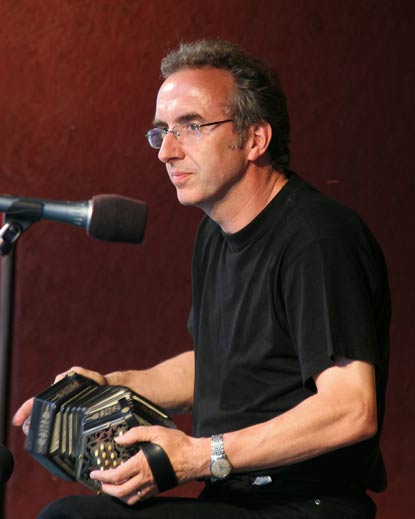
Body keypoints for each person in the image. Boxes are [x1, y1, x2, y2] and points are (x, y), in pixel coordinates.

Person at [13, 39, 390, 519]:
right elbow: (215, 367)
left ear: (255, 139)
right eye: (161, 132)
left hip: (304, 505)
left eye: (191, 126)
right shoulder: (214, 235)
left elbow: (351, 409)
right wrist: (108, 387)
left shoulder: (317, 239)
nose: (167, 151)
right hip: (235, 498)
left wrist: (199, 455)